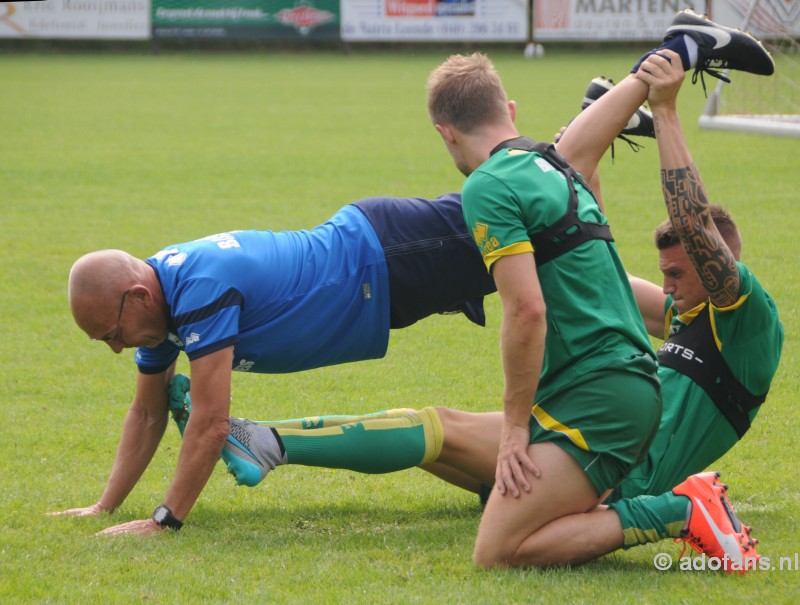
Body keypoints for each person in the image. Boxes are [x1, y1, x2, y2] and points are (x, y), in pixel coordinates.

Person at [171, 12, 780, 571]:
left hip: (608, 427)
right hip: (581, 408)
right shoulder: (650, 283)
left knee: (497, 550)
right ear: (507, 107)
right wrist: (623, 105)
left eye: (679, 274)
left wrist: (659, 108)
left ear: (445, 133)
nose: (670, 287)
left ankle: (678, 510)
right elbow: (587, 236)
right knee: (436, 430)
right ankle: (266, 441)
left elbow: (541, 301)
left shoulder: (742, 317)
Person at [51, 192, 496, 535]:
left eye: (112, 334)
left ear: (138, 297)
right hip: (381, 275)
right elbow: (147, 413)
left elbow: (210, 423)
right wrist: (104, 506)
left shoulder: (198, 290)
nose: (115, 348)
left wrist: (164, 521)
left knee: (537, 227)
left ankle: (557, 156)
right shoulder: (161, 307)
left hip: (388, 251)